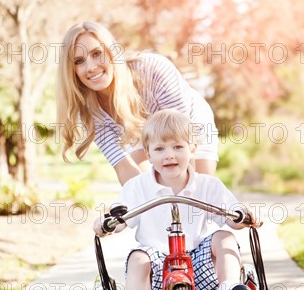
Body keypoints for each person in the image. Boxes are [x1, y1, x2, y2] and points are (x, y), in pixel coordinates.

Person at [93, 109, 260, 290]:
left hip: (201, 266)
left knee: (224, 237)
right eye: (159, 149)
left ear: (192, 148)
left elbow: (230, 215)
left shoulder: (207, 185)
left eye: (178, 147)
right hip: (156, 269)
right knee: (138, 257)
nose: (169, 155)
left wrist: (243, 215)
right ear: (148, 154)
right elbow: (121, 218)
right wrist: (106, 222)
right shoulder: (138, 187)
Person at [56, 21, 218, 185]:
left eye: (97, 53)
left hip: (189, 126)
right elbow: (123, 167)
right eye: (79, 61)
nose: (90, 67)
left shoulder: (153, 69)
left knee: (199, 189)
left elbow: (183, 143)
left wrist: (188, 197)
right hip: (135, 131)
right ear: (71, 70)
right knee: (144, 187)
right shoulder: (88, 108)